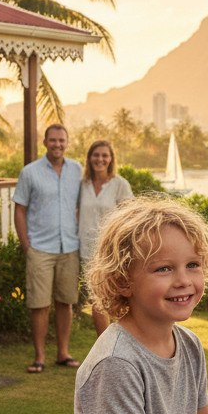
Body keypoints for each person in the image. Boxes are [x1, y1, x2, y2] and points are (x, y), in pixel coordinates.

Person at [74, 197, 208, 414]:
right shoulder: (116, 363)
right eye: (164, 268)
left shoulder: (191, 345)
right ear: (123, 281)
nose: (183, 281)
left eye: (192, 265)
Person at [13, 124, 83, 373]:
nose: (57, 144)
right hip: (40, 248)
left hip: (69, 246)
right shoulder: (29, 172)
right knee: (39, 304)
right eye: (53, 140)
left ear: (67, 142)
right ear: (45, 142)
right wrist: (27, 246)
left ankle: (63, 353)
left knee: (66, 302)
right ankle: (39, 356)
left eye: (62, 140)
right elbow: (19, 210)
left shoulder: (77, 170)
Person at [78, 140, 134, 336]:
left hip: (112, 251)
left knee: (118, 299)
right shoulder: (82, 184)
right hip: (86, 250)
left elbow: (130, 218)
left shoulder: (119, 185)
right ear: (89, 158)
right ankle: (105, 345)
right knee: (97, 301)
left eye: (104, 155)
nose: (100, 159)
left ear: (111, 159)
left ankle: (124, 342)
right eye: (96, 155)